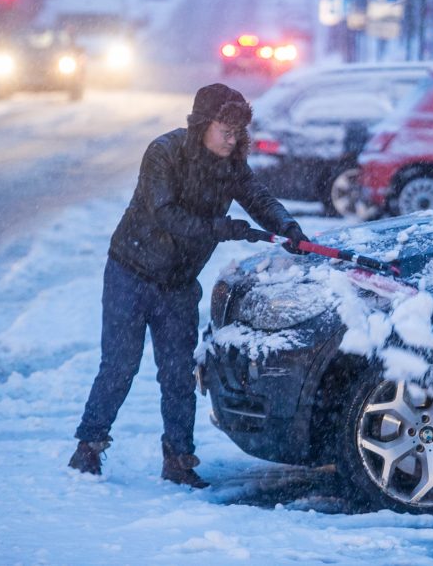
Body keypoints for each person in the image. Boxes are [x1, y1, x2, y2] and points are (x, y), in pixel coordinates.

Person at [67, 83, 308, 488]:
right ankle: (88, 446)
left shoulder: (231, 165)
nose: (233, 140)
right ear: (202, 125)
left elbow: (258, 197)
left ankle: (178, 458)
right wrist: (224, 229)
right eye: (225, 130)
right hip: (131, 271)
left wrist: (287, 227)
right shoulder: (164, 152)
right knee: (120, 366)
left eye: (238, 133)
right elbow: (166, 214)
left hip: (178, 282)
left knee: (178, 373)